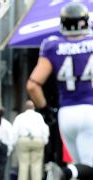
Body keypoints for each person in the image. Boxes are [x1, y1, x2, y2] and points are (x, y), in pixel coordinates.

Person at [26, 2, 93, 180]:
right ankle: (62, 172)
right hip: (90, 110)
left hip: (66, 114)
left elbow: (32, 85)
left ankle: (66, 172)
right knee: (89, 167)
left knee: (82, 170)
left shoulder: (52, 46)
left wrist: (46, 110)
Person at [12, 100, 49, 180]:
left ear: (26, 108)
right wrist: (45, 141)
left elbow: (14, 131)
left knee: (23, 165)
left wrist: (14, 143)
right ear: (34, 107)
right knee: (36, 165)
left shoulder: (20, 117)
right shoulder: (38, 116)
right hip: (37, 140)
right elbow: (45, 129)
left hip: (23, 140)